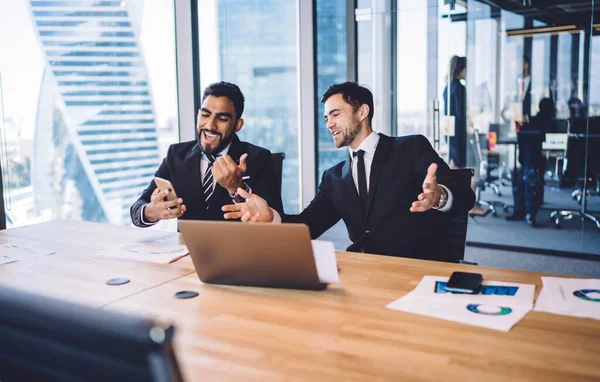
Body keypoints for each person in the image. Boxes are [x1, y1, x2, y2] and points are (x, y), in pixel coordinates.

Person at [222, 82, 475, 262]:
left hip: (415, 270)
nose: (329, 124)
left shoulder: (410, 148)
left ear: (362, 112)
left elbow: (465, 196)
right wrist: (271, 218)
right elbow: (307, 226)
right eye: (326, 118)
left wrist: (439, 197)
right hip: (364, 275)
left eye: (335, 114)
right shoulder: (333, 178)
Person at [130, 81, 283, 227]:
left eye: (222, 119)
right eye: (205, 115)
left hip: (238, 250)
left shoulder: (259, 158)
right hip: (187, 250)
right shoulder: (175, 155)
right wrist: (152, 211)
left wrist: (237, 188)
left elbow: (275, 220)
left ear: (237, 125)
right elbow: (137, 209)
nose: (210, 125)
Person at [442, 56, 487, 215]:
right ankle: (471, 206)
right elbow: (462, 114)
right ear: (462, 69)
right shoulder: (460, 88)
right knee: (471, 170)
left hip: (452, 135)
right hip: (462, 136)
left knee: (455, 169)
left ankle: (453, 203)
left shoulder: (447, 87)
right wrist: (477, 111)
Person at [506, 98, 554, 226]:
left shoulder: (534, 121)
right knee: (525, 177)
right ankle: (528, 213)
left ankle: (523, 211)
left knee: (524, 177)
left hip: (531, 158)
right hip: (534, 158)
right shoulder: (544, 122)